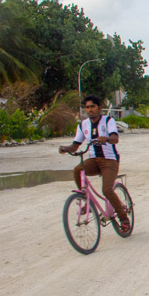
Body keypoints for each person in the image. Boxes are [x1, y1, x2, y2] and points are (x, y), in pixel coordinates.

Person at [58, 95, 130, 232]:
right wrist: (66, 149)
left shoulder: (108, 121)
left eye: (92, 107)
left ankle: (124, 218)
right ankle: (86, 200)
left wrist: (107, 138)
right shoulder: (83, 125)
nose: (89, 110)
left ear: (99, 108)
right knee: (77, 170)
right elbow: (75, 145)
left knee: (107, 190)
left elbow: (115, 138)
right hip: (93, 160)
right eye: (87, 107)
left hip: (109, 160)